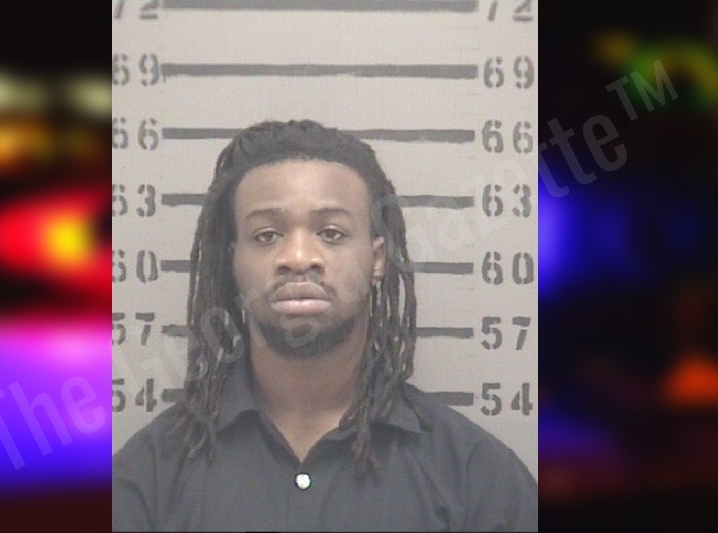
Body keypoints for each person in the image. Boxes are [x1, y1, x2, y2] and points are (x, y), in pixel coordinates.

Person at [112, 119, 538, 531]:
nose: (298, 257)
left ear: (377, 260)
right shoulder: (149, 477)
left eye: (331, 233)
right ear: (232, 261)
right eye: (266, 235)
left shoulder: (477, 478)